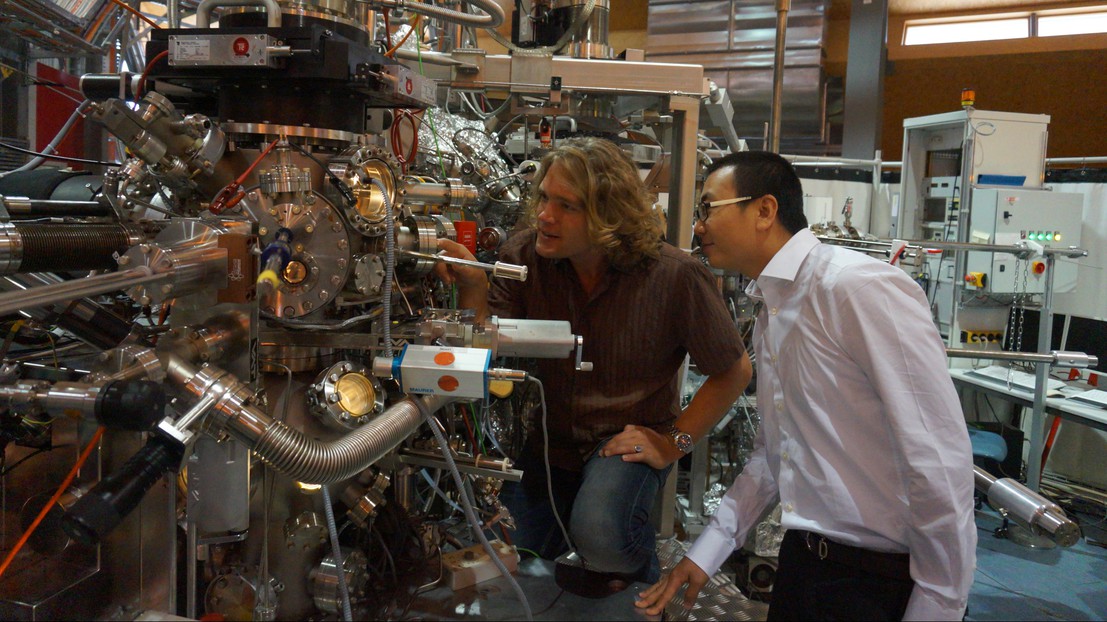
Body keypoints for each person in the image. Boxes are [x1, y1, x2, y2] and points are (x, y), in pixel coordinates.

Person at [635, 151, 977, 620]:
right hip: (804, 565)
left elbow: (937, 456)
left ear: (764, 210)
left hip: (877, 579)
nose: (698, 226)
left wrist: (939, 603)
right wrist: (707, 553)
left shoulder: (856, 289)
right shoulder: (771, 310)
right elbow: (775, 452)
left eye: (708, 209)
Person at [435, 137, 752, 584]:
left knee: (602, 534)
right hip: (549, 446)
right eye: (544, 197)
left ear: (609, 214)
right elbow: (485, 346)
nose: (545, 215)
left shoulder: (674, 275)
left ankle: (637, 579)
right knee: (497, 552)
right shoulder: (525, 257)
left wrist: (674, 443)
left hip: (623, 445)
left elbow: (734, 370)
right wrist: (471, 284)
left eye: (566, 206)